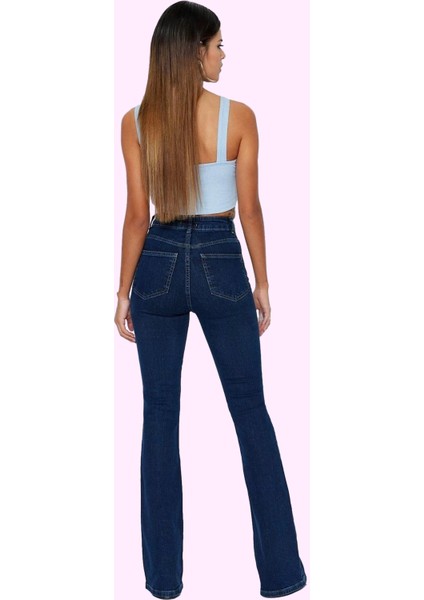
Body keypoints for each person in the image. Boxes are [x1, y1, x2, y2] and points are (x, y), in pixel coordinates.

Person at [115, 2, 307, 598]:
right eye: (218, 44)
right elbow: (250, 210)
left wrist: (122, 291)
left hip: (158, 263)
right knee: (251, 412)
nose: (224, 54)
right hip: (222, 260)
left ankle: (163, 580)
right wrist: (262, 283)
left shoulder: (137, 121)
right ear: (195, 50)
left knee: (159, 415)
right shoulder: (239, 116)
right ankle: (281, 575)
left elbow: (137, 216)